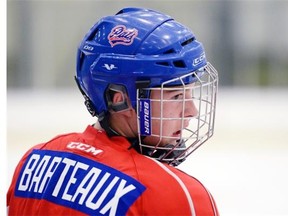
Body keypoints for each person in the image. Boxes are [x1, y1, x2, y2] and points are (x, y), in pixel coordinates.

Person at [7, 7, 219, 216]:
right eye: (176, 96)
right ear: (120, 100)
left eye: (190, 93)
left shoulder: (34, 163)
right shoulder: (177, 195)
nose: (192, 111)